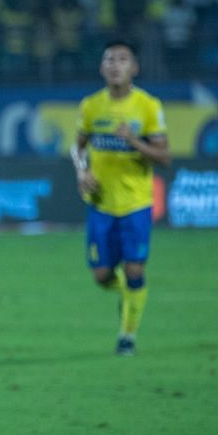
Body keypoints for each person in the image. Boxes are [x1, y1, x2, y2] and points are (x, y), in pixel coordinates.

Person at [70, 39, 170, 356]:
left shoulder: (147, 106)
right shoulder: (91, 106)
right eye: (110, 59)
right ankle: (131, 295)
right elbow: (78, 147)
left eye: (122, 59)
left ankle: (127, 336)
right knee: (101, 276)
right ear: (102, 68)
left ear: (134, 68)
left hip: (136, 204)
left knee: (134, 269)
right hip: (101, 204)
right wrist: (81, 171)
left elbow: (164, 156)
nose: (115, 65)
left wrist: (135, 141)